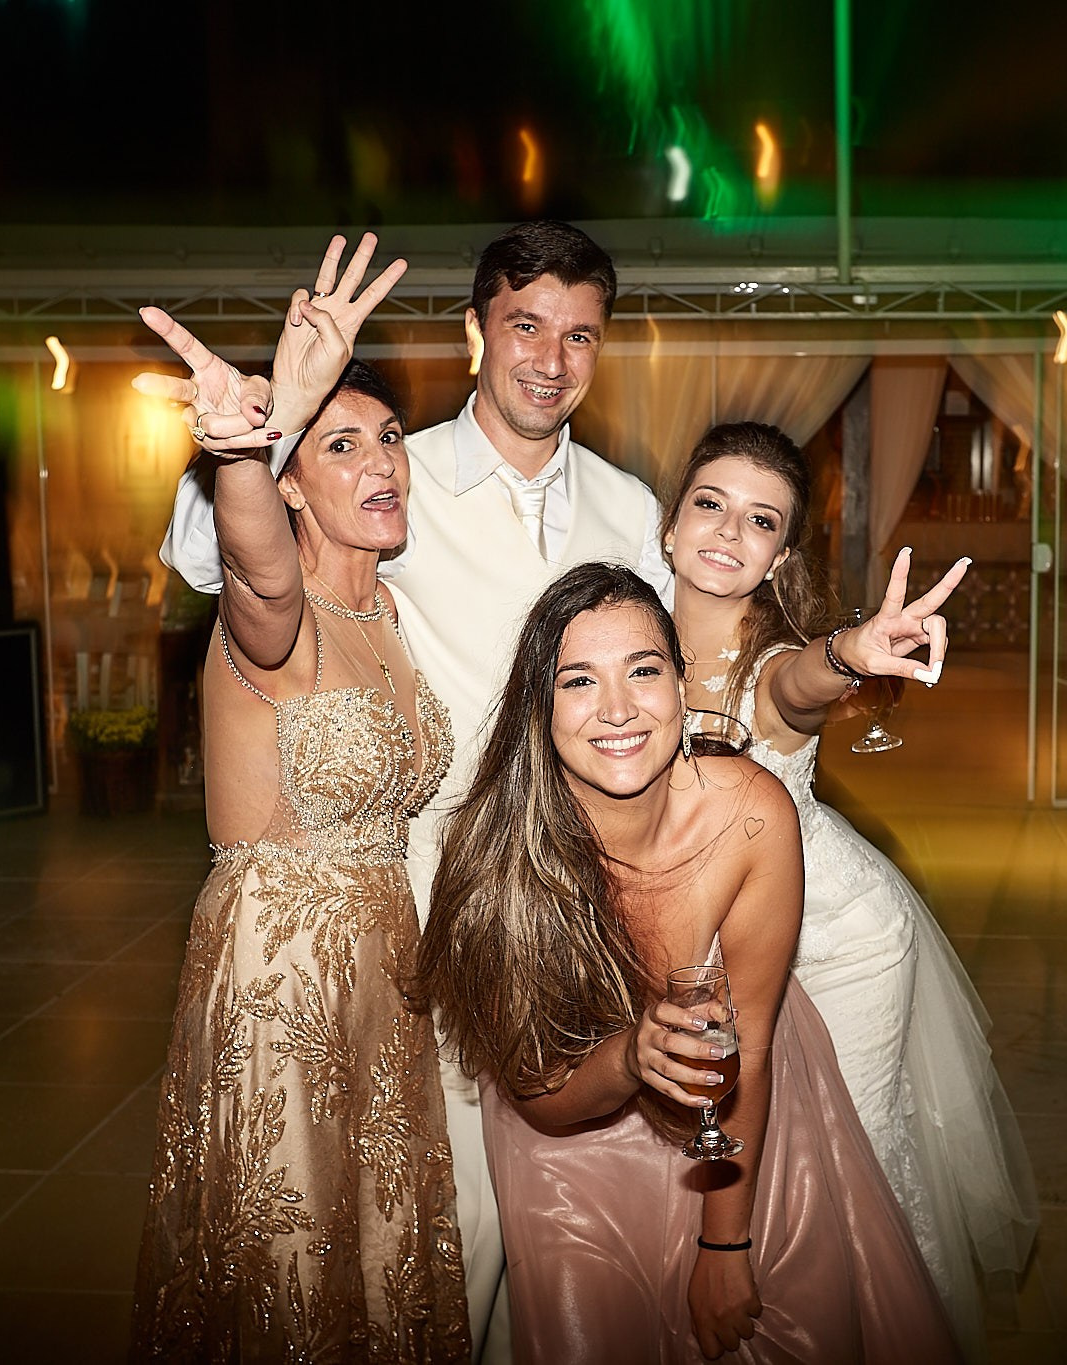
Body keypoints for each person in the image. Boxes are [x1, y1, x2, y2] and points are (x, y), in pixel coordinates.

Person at [149, 221, 665, 1357]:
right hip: (375, 923)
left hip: (524, 909)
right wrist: (256, 434)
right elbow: (237, 570)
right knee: (406, 1228)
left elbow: (676, 676)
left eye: (580, 334)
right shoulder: (396, 479)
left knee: (442, 1231)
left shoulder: (627, 510)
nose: (549, 356)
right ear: (474, 331)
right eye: (524, 324)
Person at [413, 563, 963, 1364]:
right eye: (578, 681)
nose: (618, 708)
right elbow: (541, 1097)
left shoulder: (749, 813)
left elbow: (759, 1043)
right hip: (571, 1129)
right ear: (541, 707)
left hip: (736, 1107)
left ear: (681, 682)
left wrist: (725, 1247)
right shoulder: (500, 855)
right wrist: (633, 1055)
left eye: (643, 670)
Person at [129, 241, 471, 1360]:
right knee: (287, 1270)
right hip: (278, 982)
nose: (382, 463)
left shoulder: (395, 621)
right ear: (288, 481)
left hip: (386, 974)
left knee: (381, 1262)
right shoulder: (270, 629)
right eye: (341, 444)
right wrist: (239, 446)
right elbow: (261, 571)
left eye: (387, 441)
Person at [660, 421, 1040, 1352]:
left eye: (760, 520)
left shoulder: (773, 658)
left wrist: (849, 654)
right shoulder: (628, 638)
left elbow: (799, 683)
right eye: (709, 504)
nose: (725, 532)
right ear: (669, 526)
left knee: (845, 1162)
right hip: (722, 937)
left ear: (780, 553)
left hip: (843, 943)